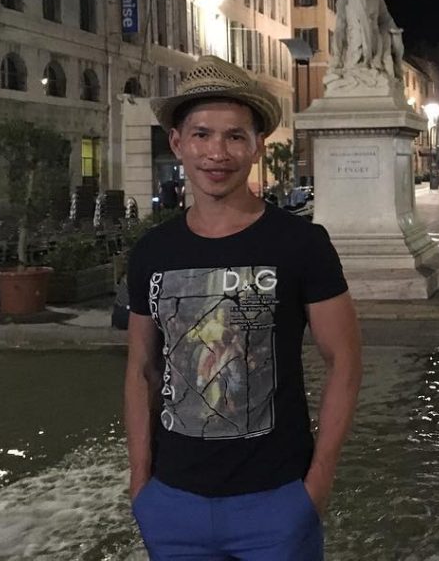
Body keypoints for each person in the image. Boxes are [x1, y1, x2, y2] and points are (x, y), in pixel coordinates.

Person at [125, 56, 362, 560]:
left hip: (276, 501)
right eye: (202, 134)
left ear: (256, 146)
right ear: (177, 143)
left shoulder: (302, 244)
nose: (217, 152)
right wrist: (141, 482)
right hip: (172, 502)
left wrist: (315, 486)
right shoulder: (152, 252)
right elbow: (142, 368)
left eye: (235, 136)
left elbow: (344, 362)